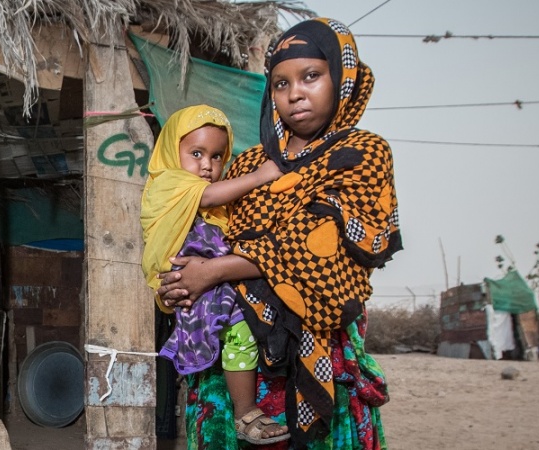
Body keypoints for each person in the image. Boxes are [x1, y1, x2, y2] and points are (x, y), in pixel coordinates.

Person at [158, 18, 401, 450]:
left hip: (319, 348)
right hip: (235, 363)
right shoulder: (249, 164)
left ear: (342, 79)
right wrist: (179, 282)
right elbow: (203, 236)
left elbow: (319, 245)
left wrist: (213, 272)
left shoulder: (361, 154)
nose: (295, 93)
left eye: (311, 76)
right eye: (280, 83)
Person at [142, 104, 287, 444]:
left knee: (240, 334)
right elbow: (207, 197)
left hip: (209, 286)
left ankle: (244, 411)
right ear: (170, 151)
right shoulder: (168, 182)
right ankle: (245, 412)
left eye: (218, 156)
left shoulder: (221, 204)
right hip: (193, 286)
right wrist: (261, 175)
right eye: (196, 153)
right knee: (240, 331)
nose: (207, 165)